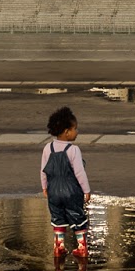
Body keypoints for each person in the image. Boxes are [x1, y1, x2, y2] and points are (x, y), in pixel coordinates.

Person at [40, 106, 91, 261]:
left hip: (53, 190)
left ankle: (59, 247)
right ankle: (82, 247)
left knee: (58, 217)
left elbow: (43, 170)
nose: (77, 132)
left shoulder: (47, 148)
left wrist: (44, 187)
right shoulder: (73, 150)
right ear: (66, 131)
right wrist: (86, 190)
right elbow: (79, 172)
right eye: (75, 128)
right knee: (77, 217)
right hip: (71, 191)